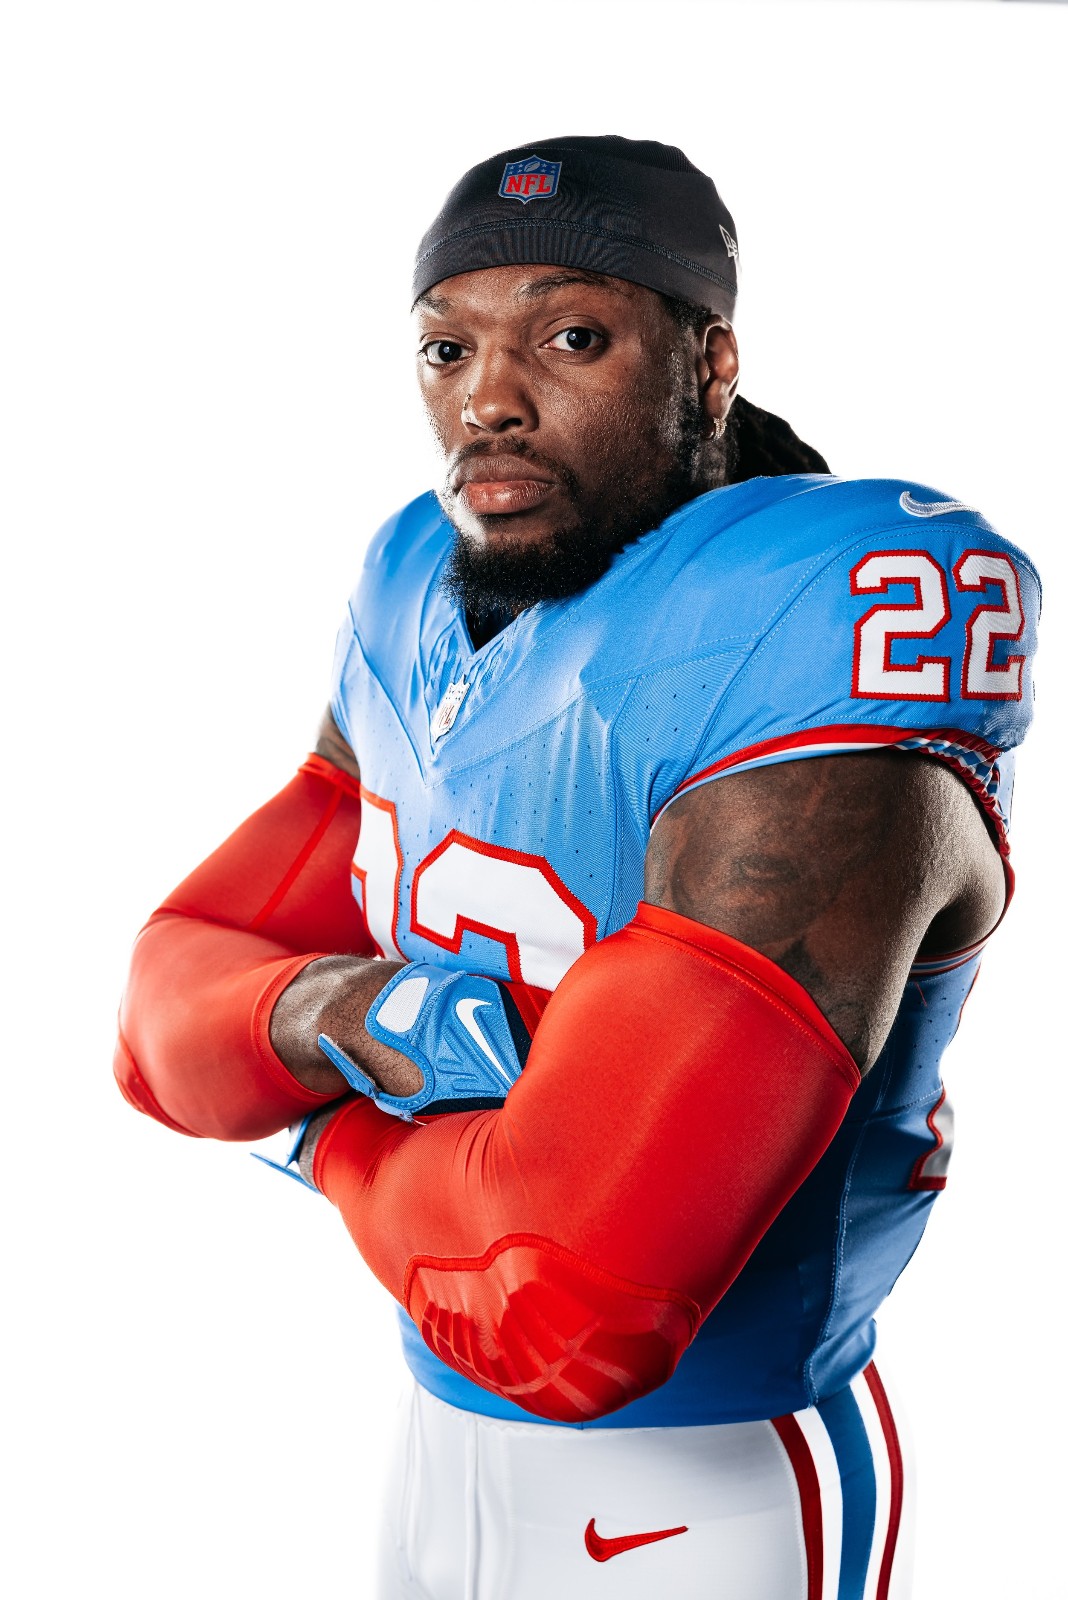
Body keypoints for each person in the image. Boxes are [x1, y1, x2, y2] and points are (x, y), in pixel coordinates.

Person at [114, 136, 1039, 1598]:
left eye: (571, 338)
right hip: (435, 1435)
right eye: (446, 347)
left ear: (708, 364)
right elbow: (160, 1016)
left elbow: (567, 1308)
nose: (487, 398)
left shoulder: (804, 631)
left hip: (705, 1479)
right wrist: (350, 1016)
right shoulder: (421, 581)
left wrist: (306, 1123)